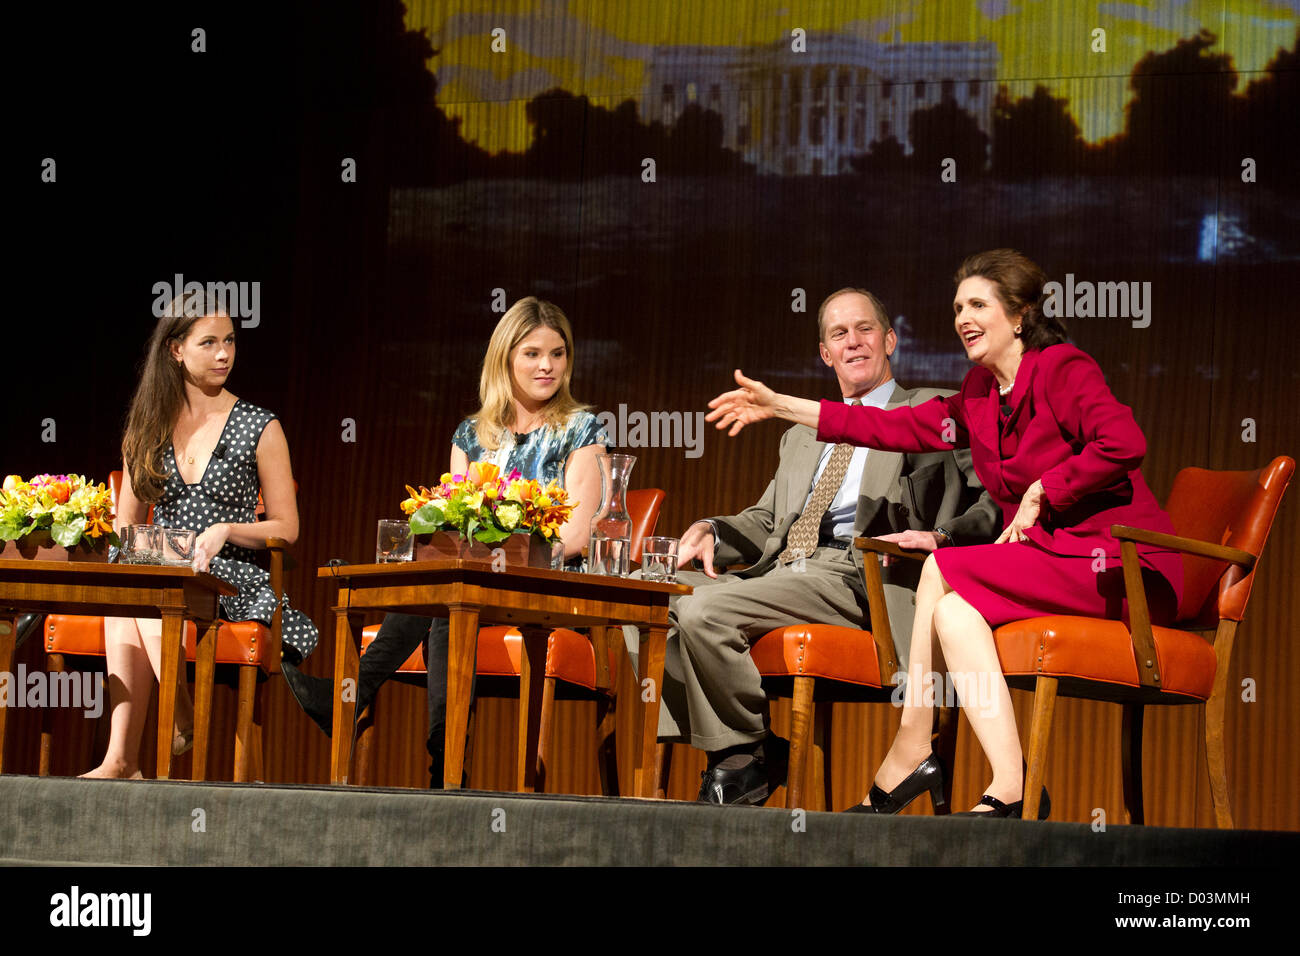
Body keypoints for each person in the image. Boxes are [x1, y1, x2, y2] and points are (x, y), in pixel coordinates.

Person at [706, 250, 1184, 817]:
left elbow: (1123, 443)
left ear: (1020, 315)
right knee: (953, 614)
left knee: (942, 567)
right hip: (1055, 560)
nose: (963, 318)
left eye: (979, 305)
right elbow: (891, 425)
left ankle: (911, 743)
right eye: (959, 307)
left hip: (1116, 563)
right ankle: (1012, 785)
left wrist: (1046, 489)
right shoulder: (980, 393)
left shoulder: (1062, 367)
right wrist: (780, 404)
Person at [662, 288, 1001, 806]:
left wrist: (941, 536)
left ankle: (740, 757)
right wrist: (714, 529)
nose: (854, 342)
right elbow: (768, 520)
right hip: (787, 570)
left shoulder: (932, 410)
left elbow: (992, 504)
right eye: (839, 334)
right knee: (656, 597)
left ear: (889, 340)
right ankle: (744, 752)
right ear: (825, 353)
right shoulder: (801, 435)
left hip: (863, 572)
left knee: (702, 608)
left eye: (865, 329)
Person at [283, 296, 608, 785]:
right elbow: (458, 526)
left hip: (551, 582)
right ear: (505, 359)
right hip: (475, 583)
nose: (547, 366)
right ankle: (444, 764)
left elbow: (578, 535)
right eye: (533, 353)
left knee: (447, 600)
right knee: (447, 600)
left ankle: (400, 736)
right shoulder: (472, 435)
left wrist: (517, 553)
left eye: (558, 354)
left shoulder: (581, 429)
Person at [82, 290, 317, 779]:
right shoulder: (147, 426)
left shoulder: (259, 425)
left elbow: (287, 528)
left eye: (229, 341)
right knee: (134, 587)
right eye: (209, 342)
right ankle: (144, 738)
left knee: (145, 594)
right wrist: (152, 554)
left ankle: (138, 745)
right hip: (164, 568)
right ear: (176, 350)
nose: (224, 353)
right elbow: (127, 531)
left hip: (228, 577)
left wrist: (226, 529)